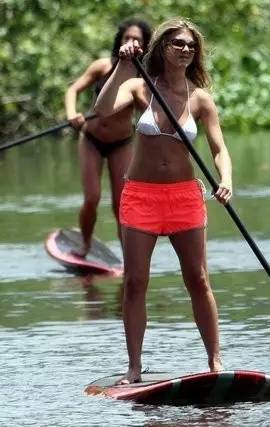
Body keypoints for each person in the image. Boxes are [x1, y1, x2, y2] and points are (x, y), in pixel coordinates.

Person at [95, 18, 233, 384]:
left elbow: (219, 149)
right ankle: (134, 368)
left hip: (185, 198)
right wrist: (123, 66)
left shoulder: (201, 99)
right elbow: (104, 108)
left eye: (190, 45)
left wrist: (226, 179)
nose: (185, 50)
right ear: (162, 48)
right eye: (177, 44)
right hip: (141, 197)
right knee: (136, 281)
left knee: (198, 279)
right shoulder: (140, 85)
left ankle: (215, 362)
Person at [64, 18, 152, 257]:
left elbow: (150, 111)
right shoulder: (102, 66)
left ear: (144, 46)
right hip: (91, 140)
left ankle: (128, 256)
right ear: (120, 41)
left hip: (122, 144)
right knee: (92, 198)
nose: (132, 43)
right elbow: (73, 90)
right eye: (127, 38)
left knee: (121, 205)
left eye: (137, 40)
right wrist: (73, 115)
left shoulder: (144, 78)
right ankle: (85, 245)